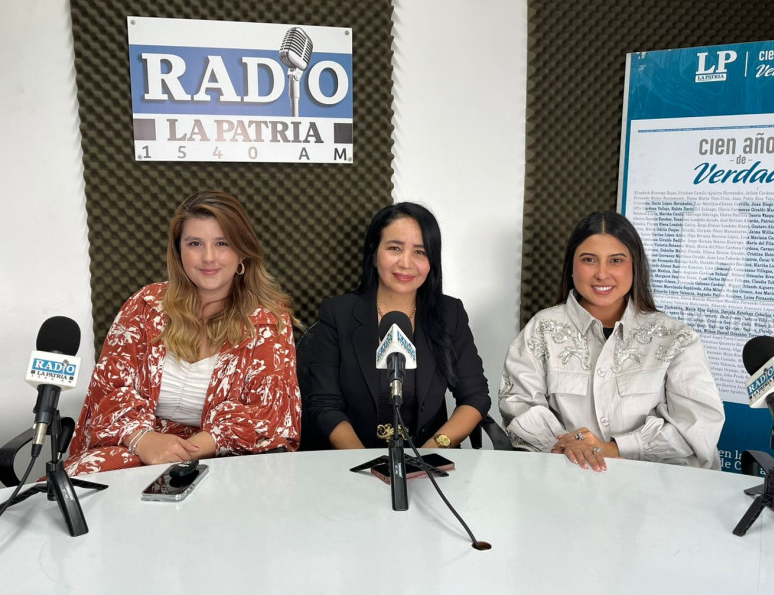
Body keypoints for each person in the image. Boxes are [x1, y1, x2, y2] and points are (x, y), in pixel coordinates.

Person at [64, 191, 300, 476]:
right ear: (178, 252)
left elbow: (271, 414)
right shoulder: (145, 306)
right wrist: (144, 440)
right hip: (135, 448)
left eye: (222, 243)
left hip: (225, 459)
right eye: (195, 243)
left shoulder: (268, 320)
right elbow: (109, 391)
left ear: (241, 251)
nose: (208, 257)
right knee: (76, 492)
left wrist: (184, 452)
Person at [499, 211, 724, 471]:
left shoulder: (676, 338)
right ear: (571, 266)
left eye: (616, 260)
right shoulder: (542, 329)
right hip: (567, 479)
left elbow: (699, 424)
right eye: (589, 260)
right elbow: (518, 404)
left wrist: (610, 449)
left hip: (657, 486)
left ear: (634, 265)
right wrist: (565, 446)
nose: (602, 274)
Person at [305, 202, 490, 450]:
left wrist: (433, 449)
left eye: (420, 252)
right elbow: (325, 404)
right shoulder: (338, 313)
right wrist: (364, 462)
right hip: (354, 462)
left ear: (432, 261)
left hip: (428, 461)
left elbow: (475, 396)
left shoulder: (449, 314)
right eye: (394, 248)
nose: (406, 263)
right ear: (373, 254)